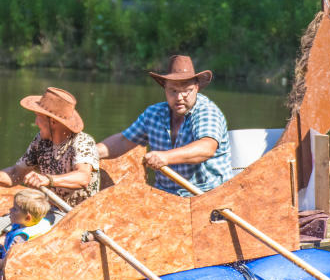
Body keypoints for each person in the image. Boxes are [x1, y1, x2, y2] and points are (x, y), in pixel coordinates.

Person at [0, 87, 99, 249]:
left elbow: (83, 177)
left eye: (38, 117)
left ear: (52, 121)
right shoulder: (41, 141)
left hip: (74, 217)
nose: (35, 122)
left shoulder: (82, 142)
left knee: (19, 230)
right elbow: (15, 174)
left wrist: (48, 180)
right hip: (44, 210)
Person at [97, 55, 233, 196]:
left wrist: (166, 157)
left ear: (197, 88)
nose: (180, 97)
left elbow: (206, 148)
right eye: (173, 91)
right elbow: (124, 141)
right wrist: (92, 153)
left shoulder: (207, 111)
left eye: (187, 90)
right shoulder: (153, 113)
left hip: (208, 195)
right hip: (165, 197)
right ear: (165, 89)